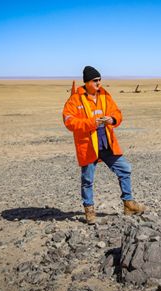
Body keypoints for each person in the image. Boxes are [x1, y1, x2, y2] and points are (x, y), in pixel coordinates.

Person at [62, 66, 145, 224]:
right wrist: (91, 123)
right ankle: (89, 211)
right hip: (88, 146)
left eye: (100, 80)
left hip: (106, 143)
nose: (99, 83)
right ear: (87, 82)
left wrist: (112, 120)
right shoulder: (75, 99)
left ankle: (128, 203)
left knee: (125, 169)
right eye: (95, 81)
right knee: (87, 179)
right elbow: (69, 121)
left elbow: (117, 112)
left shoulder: (105, 95)